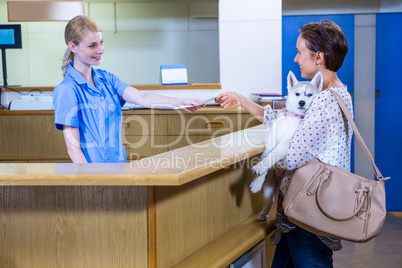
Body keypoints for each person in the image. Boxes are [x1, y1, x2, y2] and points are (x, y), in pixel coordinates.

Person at [215, 20, 352, 267]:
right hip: (309, 206)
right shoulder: (338, 94)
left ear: (318, 57)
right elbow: (285, 120)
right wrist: (244, 101)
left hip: (309, 208)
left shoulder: (322, 101)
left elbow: (292, 157)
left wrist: (270, 159)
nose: (296, 59)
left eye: (300, 52)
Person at [54, 15, 203, 164]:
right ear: (73, 47)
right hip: (93, 174)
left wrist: (180, 101)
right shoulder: (67, 90)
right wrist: (90, 181)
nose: (101, 50)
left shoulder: (107, 79)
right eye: (92, 45)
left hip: (119, 168)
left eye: (101, 42)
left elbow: (142, 98)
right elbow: (73, 149)